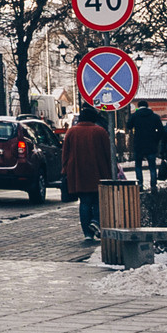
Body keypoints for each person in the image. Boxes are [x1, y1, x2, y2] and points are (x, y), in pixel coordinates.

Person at [63, 103, 114, 241]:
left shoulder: (71, 132)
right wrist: (110, 172)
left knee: (84, 202)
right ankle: (96, 222)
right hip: (97, 171)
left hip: (78, 172)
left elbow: (65, 153)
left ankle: (87, 233)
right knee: (97, 200)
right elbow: (107, 154)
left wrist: (65, 170)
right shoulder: (100, 132)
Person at [126, 101, 161, 188]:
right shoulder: (154, 116)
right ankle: (153, 185)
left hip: (139, 144)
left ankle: (140, 184)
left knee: (138, 166)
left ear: (138, 106)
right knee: (152, 167)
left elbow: (128, 126)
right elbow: (161, 131)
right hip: (151, 144)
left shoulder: (135, 116)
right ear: (147, 106)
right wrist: (155, 140)